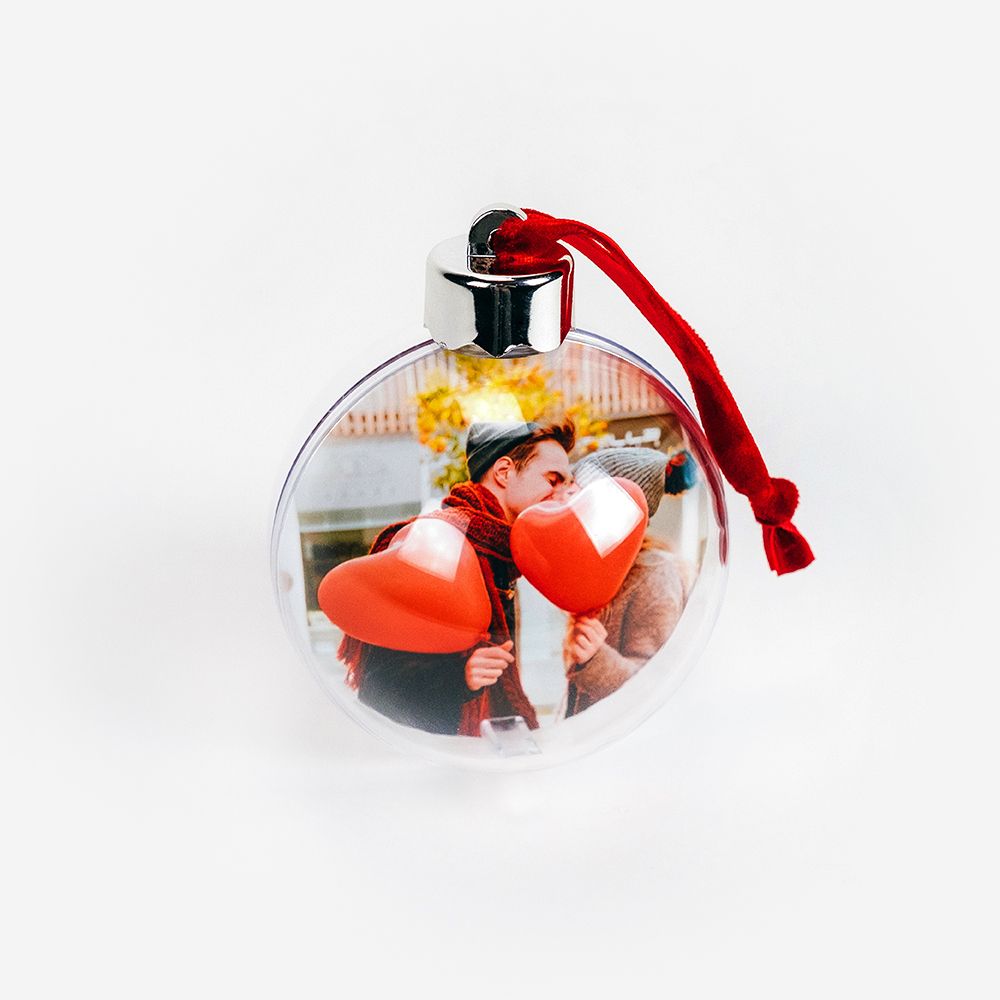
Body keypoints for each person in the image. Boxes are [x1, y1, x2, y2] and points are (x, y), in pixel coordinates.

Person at [338, 419, 575, 736]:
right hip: (434, 755)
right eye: (553, 479)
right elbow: (379, 690)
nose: (563, 494)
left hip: (478, 747)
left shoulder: (501, 556)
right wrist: (460, 677)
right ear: (504, 472)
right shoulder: (438, 547)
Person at [562, 447, 697, 717]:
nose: (563, 499)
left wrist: (596, 658)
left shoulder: (654, 574)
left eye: (576, 492)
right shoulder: (599, 568)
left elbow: (658, 688)